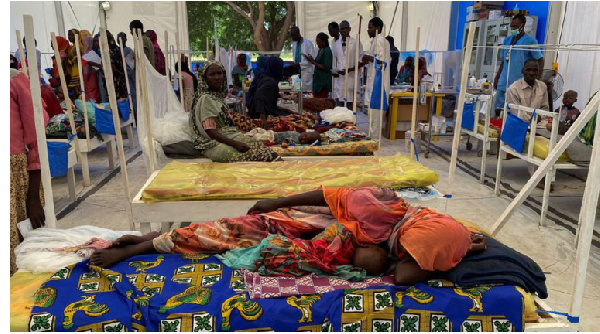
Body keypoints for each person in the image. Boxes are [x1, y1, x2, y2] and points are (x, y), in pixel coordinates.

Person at [90, 187, 484, 285]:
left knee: (244, 233)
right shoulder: (374, 203)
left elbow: (408, 267)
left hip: (340, 232)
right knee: (240, 229)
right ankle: (145, 245)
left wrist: (455, 250)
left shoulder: (436, 229)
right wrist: (275, 201)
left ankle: (159, 239)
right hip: (331, 225)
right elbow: (404, 276)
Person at [187, 61, 279, 162]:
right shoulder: (206, 99)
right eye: (212, 74)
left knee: (261, 148)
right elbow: (210, 131)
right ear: (204, 78)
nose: (217, 77)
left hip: (227, 136)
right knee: (254, 155)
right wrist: (235, 144)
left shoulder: (217, 97)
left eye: (219, 73)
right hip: (212, 144)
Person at [10, 68, 48, 275]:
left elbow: (36, 139)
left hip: (12, 180)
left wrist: (32, 196)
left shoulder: (13, 80)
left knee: (17, 257)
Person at [506, 58, 550, 190]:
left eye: (535, 70)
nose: (531, 73)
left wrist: (543, 122)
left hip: (538, 122)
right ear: (522, 71)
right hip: (518, 123)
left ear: (539, 72)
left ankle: (550, 169)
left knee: (554, 133)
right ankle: (537, 177)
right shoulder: (513, 89)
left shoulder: (542, 87)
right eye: (528, 70)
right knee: (532, 139)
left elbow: (545, 108)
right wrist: (533, 124)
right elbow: (516, 112)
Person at [493, 14, 544, 112]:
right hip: (503, 81)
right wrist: (497, 77)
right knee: (499, 109)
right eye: (511, 26)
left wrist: (537, 80)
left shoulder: (530, 41)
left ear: (522, 25)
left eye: (515, 27)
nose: (513, 28)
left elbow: (540, 59)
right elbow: (503, 61)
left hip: (519, 82)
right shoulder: (507, 40)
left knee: (515, 111)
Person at [361, 17, 391, 135]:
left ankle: (374, 146)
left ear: (377, 28)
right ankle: (373, 143)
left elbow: (381, 62)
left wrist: (367, 58)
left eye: (370, 28)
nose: (368, 30)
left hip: (378, 86)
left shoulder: (380, 41)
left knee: (375, 120)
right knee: (372, 119)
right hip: (373, 84)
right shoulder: (375, 41)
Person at [248, 57, 291, 128]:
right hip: (263, 112)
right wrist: (262, 117)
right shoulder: (271, 82)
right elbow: (259, 95)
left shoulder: (262, 76)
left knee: (287, 112)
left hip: (254, 110)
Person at [335, 20, 363, 109]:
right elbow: (336, 60)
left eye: (346, 28)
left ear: (350, 29)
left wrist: (350, 69)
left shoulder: (356, 43)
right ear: (339, 30)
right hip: (340, 81)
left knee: (350, 109)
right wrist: (335, 71)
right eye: (342, 29)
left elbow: (361, 60)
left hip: (351, 78)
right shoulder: (336, 43)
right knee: (339, 108)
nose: (344, 31)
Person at [286, 26, 315, 91]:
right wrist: (292, 64)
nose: (292, 38)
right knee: (296, 91)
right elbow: (295, 58)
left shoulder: (308, 43)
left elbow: (311, 60)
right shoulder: (294, 44)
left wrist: (299, 64)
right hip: (297, 72)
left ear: (298, 34)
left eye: (293, 36)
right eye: (291, 36)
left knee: (305, 93)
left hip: (306, 72)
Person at [305, 32, 333, 98]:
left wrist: (313, 62)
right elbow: (318, 62)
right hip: (318, 80)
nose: (317, 44)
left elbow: (326, 67)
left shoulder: (327, 51)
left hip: (323, 82)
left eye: (318, 42)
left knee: (321, 100)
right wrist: (311, 59)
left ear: (323, 42)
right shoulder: (321, 50)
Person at [117, 32, 137, 120]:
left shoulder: (128, 50)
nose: (120, 40)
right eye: (119, 38)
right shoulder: (117, 50)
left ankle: (135, 118)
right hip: (122, 80)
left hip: (129, 77)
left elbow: (132, 64)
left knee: (132, 97)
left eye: (122, 38)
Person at [106, 30, 128, 100]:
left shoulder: (108, 51)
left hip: (115, 78)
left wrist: (119, 73)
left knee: (117, 98)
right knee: (123, 97)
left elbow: (112, 67)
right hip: (121, 77)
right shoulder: (118, 49)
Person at [80, 36, 100, 102]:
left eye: (84, 44)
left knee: (91, 96)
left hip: (89, 79)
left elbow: (98, 66)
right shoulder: (88, 54)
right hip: (88, 79)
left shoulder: (91, 54)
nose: (83, 46)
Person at [328, 22, 344, 105]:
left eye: (331, 30)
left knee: (344, 97)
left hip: (343, 72)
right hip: (336, 71)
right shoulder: (333, 42)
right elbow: (335, 58)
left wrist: (340, 71)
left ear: (337, 29)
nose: (329, 32)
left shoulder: (343, 40)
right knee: (337, 95)